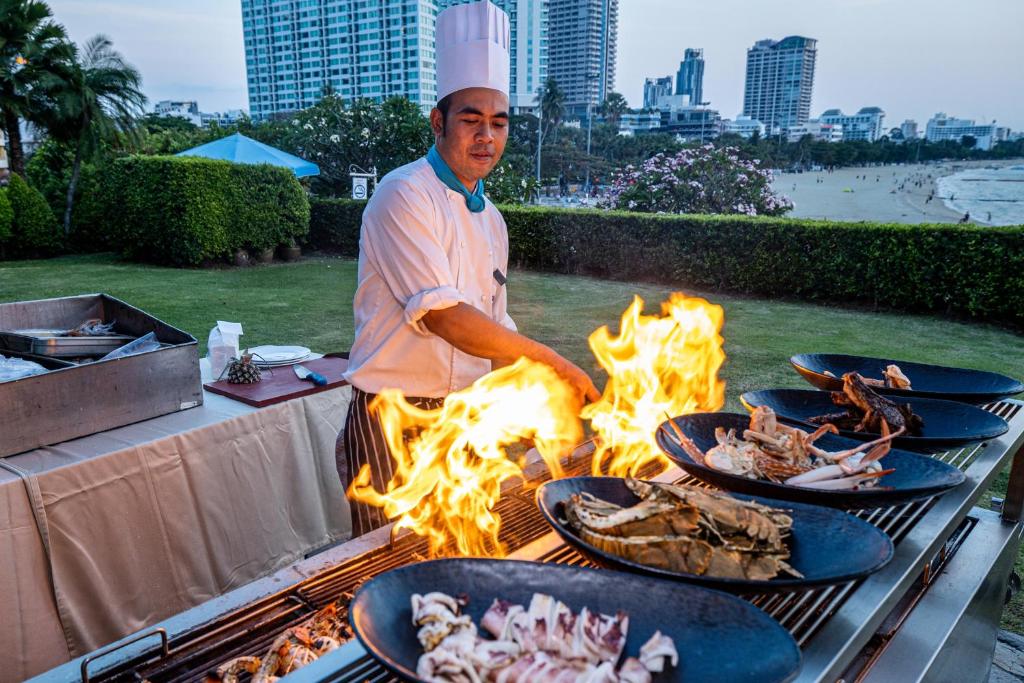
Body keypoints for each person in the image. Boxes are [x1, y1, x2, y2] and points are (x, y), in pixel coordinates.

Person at [338, 0, 600, 537]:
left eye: (498, 124)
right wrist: (554, 364)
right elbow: (445, 317)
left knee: (464, 550)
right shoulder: (402, 194)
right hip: (393, 418)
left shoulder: (494, 220)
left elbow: (493, 327)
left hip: (465, 418)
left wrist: (547, 393)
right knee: (388, 564)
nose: (487, 137)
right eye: (471, 120)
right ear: (438, 122)